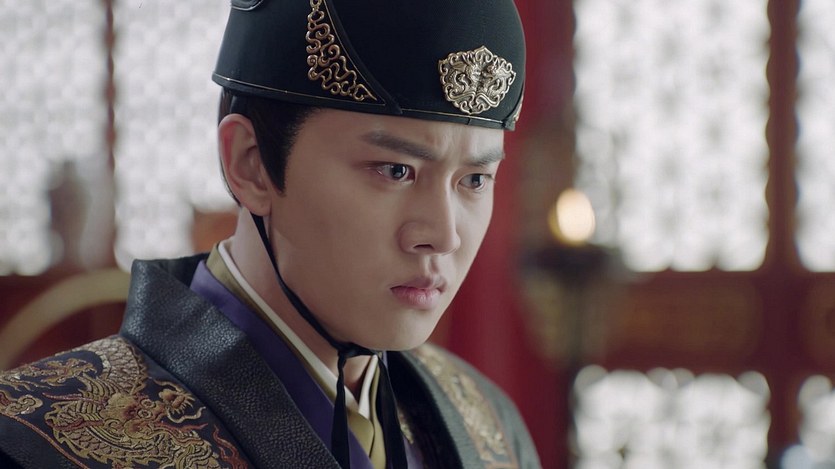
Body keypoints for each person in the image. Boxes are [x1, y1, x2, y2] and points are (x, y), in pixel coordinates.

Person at [0, 0, 540, 467]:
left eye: (474, 179)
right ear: (251, 164)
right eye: (395, 170)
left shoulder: (489, 423)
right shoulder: (33, 442)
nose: (443, 235)